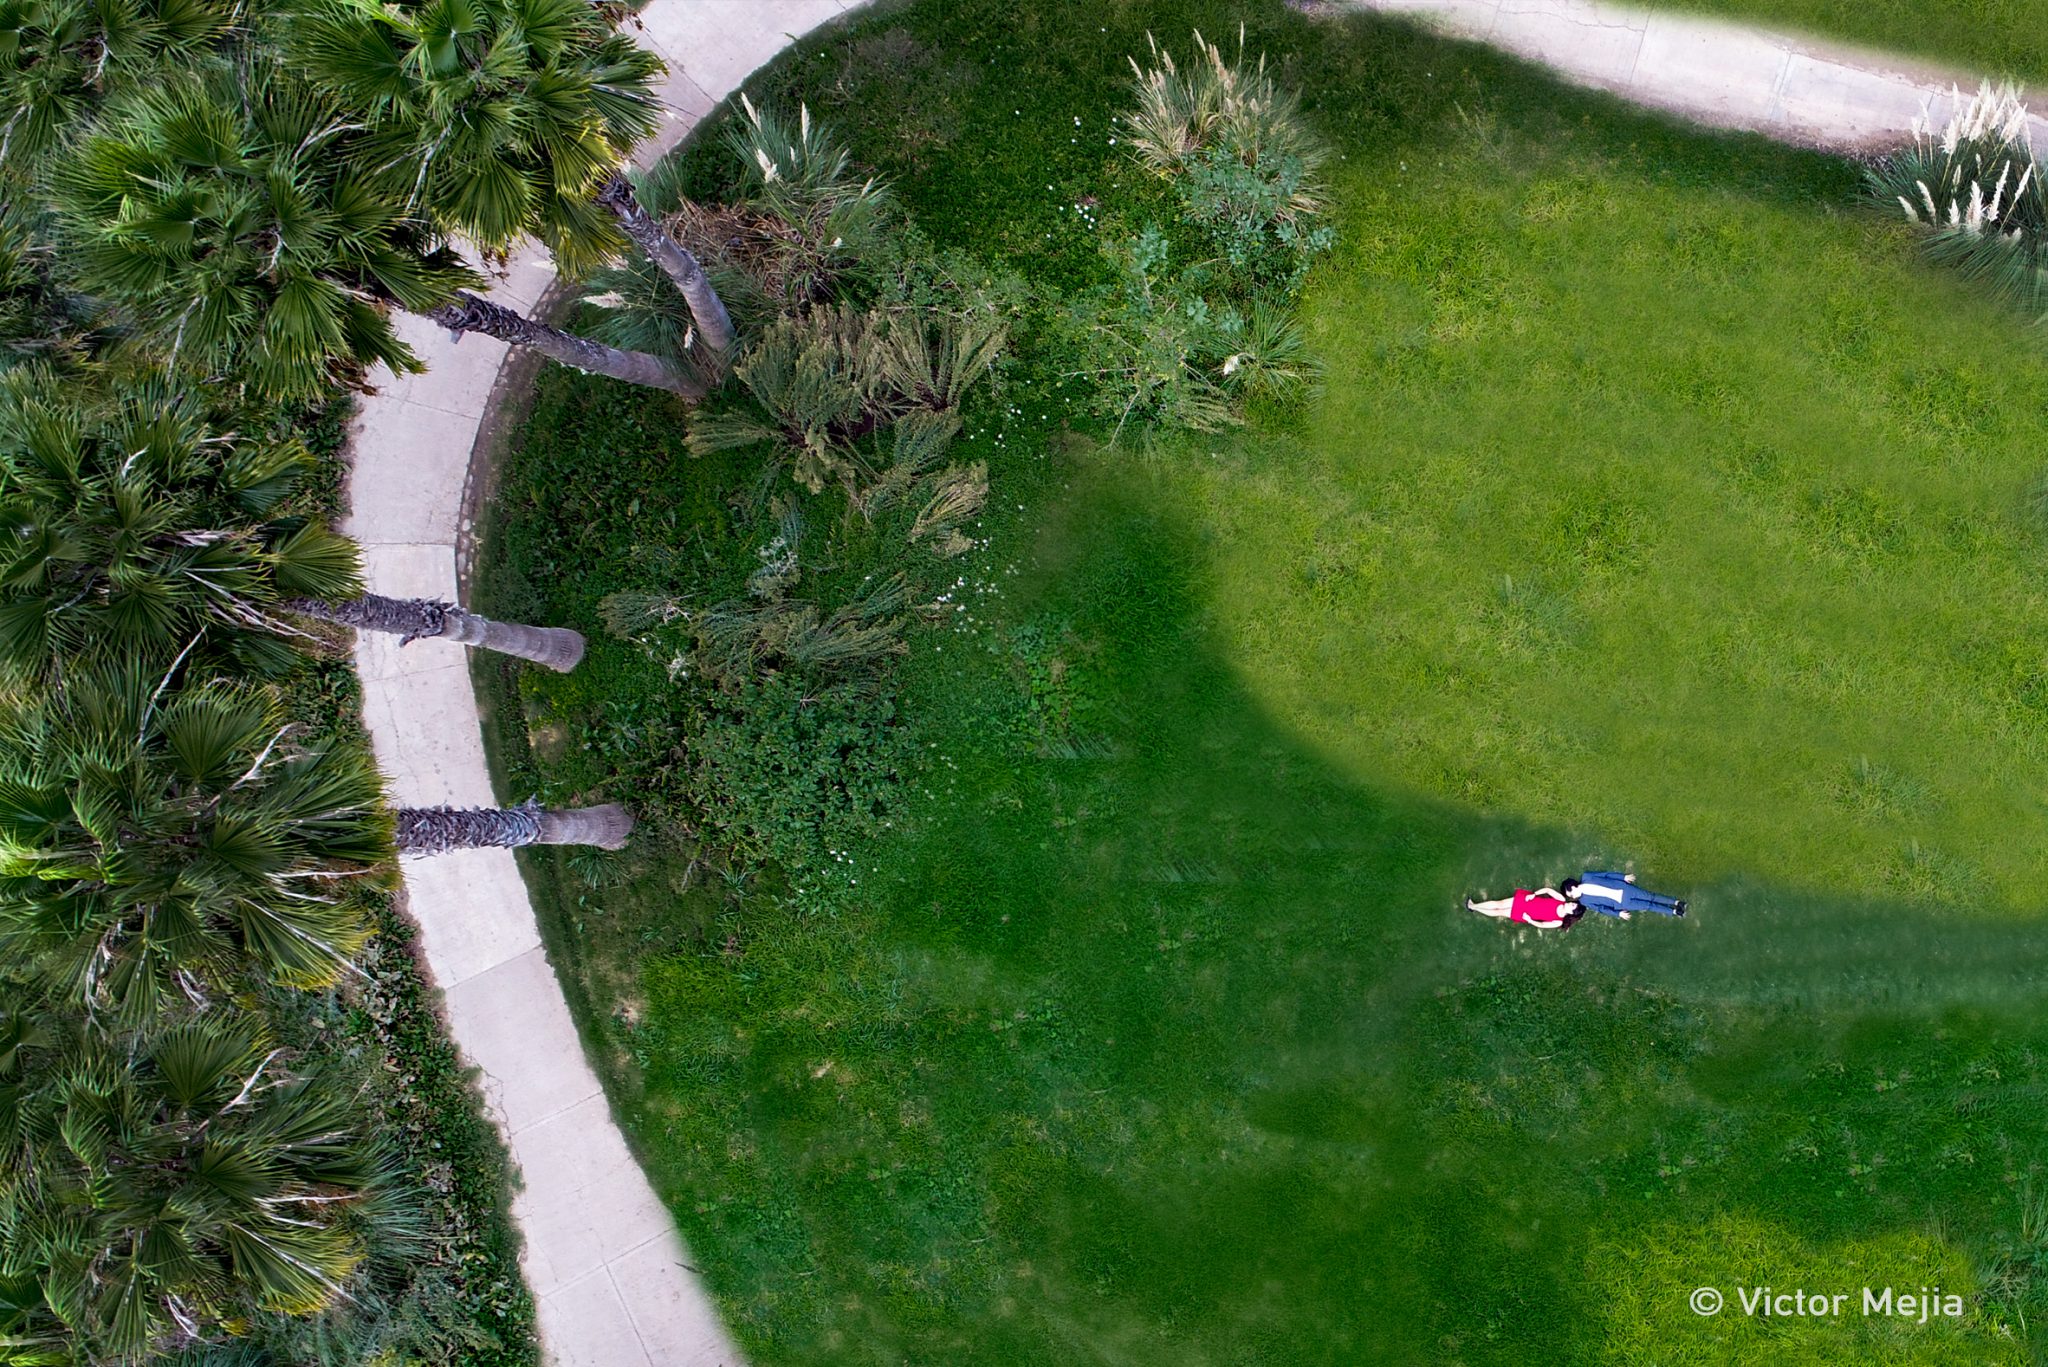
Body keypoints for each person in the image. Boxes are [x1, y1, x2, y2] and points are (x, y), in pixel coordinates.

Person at [1562, 870, 1687, 918]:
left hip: (1625, 889)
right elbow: (1601, 909)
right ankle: (1674, 912)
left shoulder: (1587, 876)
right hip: (1622, 903)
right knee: (1648, 906)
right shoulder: (1584, 901)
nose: (1573, 897)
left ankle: (1676, 903)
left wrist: (1623, 877)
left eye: (1571, 894)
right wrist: (1618, 913)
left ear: (1573, 886)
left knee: (1651, 897)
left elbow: (1606, 875)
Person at [1466, 887, 1582, 929]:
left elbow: (1542, 925)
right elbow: (1547, 890)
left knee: (1500, 911)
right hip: (1527, 901)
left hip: (1526, 915)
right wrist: (1534, 894)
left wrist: (1529, 920)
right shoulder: (1561, 899)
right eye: (1573, 903)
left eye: (1572, 906)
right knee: (1499, 904)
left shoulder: (1558, 921)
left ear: (1571, 913)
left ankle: (1474, 908)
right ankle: (1473, 905)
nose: (1570, 903)